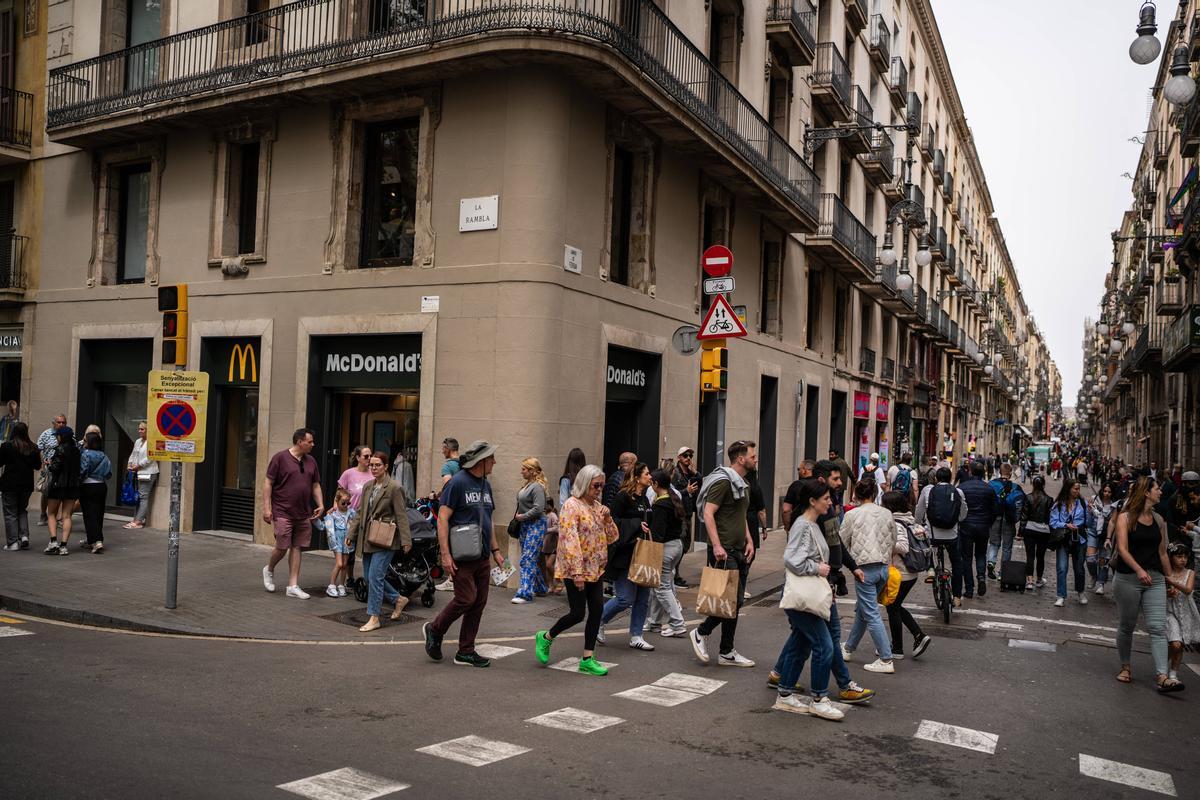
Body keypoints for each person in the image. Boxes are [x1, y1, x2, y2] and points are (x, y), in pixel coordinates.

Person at [770, 478, 874, 717]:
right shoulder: (803, 526)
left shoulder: (811, 524)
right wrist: (817, 569)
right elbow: (792, 559)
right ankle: (818, 698)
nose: (830, 502)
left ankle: (785, 693)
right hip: (803, 598)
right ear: (812, 501)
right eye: (826, 499)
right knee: (824, 646)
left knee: (800, 645)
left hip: (810, 596)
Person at [424, 440, 506, 668]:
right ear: (480, 461)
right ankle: (435, 628)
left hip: (481, 556)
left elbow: (488, 520)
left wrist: (496, 551)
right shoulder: (458, 483)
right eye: (491, 459)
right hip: (461, 555)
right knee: (466, 598)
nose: (494, 462)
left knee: (479, 602)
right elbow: (443, 519)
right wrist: (445, 555)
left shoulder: (485, 485)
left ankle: (465, 651)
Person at [534, 465, 618, 675]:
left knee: (597, 610)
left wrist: (608, 518)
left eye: (602, 485)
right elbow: (569, 541)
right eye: (596, 485)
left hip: (596, 569)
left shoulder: (599, 507)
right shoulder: (571, 506)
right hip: (575, 570)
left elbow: (613, 537)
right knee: (577, 613)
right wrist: (577, 572)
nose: (599, 489)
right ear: (584, 482)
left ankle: (587, 658)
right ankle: (546, 637)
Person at [689, 440, 757, 668]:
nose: (755, 459)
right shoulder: (724, 482)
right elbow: (708, 514)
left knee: (735, 602)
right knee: (729, 601)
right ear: (741, 458)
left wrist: (749, 539)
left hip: (738, 548)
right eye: (752, 456)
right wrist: (716, 546)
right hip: (724, 550)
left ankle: (727, 651)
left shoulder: (741, 483)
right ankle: (701, 632)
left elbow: (741, 514)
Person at [1112, 477, 1181, 692]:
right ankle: (1125, 667)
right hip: (1128, 578)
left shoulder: (1158, 520)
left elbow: (1162, 553)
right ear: (1146, 492)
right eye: (1157, 489)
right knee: (1127, 625)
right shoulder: (1125, 518)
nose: (1161, 492)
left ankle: (1162, 675)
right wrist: (1139, 570)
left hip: (1155, 579)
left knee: (1157, 628)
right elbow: (1123, 549)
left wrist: (1171, 581)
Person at [838, 478, 900, 673]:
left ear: (857, 494)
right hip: (883, 567)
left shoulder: (851, 515)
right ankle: (848, 648)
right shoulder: (887, 513)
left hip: (864, 567)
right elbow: (893, 539)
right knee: (864, 610)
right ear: (875, 493)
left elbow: (841, 542)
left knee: (870, 612)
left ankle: (885, 658)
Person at [350, 452, 411, 632]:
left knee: (376, 577)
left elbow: (401, 515)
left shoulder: (394, 488)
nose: (374, 468)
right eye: (372, 465)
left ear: (385, 466)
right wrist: (350, 534)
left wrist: (406, 540)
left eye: (378, 465)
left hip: (385, 539)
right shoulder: (368, 486)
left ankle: (374, 617)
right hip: (368, 538)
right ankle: (398, 599)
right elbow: (361, 512)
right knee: (370, 578)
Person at [597, 461, 655, 649]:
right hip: (624, 556)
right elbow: (612, 523)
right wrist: (636, 524)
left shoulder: (645, 499)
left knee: (642, 598)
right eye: (647, 474)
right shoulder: (623, 497)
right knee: (625, 598)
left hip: (642, 555)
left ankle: (636, 635)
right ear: (637, 477)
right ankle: (598, 619)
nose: (650, 477)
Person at [261, 428, 324, 599]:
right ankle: (269, 569)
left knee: (297, 547)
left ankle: (293, 586)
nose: (313, 445)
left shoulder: (311, 461)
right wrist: (267, 508)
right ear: (299, 442)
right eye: (310, 442)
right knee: (282, 547)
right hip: (282, 511)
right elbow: (268, 483)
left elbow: (315, 485)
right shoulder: (280, 458)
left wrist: (320, 504)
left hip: (304, 513)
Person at [882, 490, 931, 660]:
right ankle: (917, 636)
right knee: (895, 606)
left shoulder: (896, 523)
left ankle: (898, 648)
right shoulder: (910, 519)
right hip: (910, 573)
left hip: (901, 573)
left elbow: (902, 547)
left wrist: (886, 543)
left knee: (892, 607)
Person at [914, 467, 968, 606]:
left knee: (927, 546)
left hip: (933, 534)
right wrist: (957, 520)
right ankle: (956, 596)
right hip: (952, 535)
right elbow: (963, 513)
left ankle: (931, 568)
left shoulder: (928, 490)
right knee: (957, 562)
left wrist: (918, 524)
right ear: (951, 479)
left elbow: (919, 511)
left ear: (936, 479)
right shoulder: (958, 491)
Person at [643, 469, 687, 638]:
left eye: (651, 481)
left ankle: (677, 623)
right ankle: (654, 622)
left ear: (655, 484)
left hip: (666, 548)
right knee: (659, 585)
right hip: (676, 547)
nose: (650, 483)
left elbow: (658, 533)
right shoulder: (673, 499)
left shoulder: (660, 504)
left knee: (661, 588)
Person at [955, 462, 996, 598]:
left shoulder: (962, 487)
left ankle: (969, 588)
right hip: (983, 525)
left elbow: (957, 507)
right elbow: (994, 509)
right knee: (980, 554)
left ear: (971, 472)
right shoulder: (988, 489)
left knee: (966, 557)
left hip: (966, 525)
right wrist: (988, 522)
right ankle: (981, 578)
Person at [512, 457, 549, 604]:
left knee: (527, 557)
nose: (521, 472)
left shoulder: (537, 487)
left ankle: (525, 593)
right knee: (530, 557)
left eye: (524, 469)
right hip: (526, 525)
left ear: (532, 471)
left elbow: (539, 508)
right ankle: (540, 587)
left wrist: (522, 516)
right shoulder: (528, 485)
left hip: (536, 524)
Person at [0, 422, 41, 550]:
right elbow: (37, 466)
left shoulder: (7, 446)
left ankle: (13, 543)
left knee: (10, 512)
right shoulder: (33, 447)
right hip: (26, 485)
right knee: (22, 510)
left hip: (10, 484)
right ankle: (24, 536)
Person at [1049, 478, 1089, 608]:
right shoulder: (1059, 505)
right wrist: (1066, 525)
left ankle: (1080, 592)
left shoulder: (1083, 503)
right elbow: (1053, 522)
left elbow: (1089, 522)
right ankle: (1061, 596)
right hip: (1063, 539)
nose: (1078, 491)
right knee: (1062, 568)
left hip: (1080, 539)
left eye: (1079, 489)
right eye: (1075, 489)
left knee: (1079, 568)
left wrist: (1092, 512)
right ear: (1068, 489)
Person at [1164, 542, 1200, 683]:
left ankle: (1173, 673)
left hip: (1185, 613)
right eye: (1179, 556)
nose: (1183, 560)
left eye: (1185, 557)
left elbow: (1188, 589)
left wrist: (1172, 583)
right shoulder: (1167, 573)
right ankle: (1164, 668)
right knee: (1175, 643)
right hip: (1170, 611)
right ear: (1171, 557)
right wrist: (1168, 592)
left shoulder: (1190, 573)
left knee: (1180, 645)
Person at [42, 427, 80, 556]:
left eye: (58, 435)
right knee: (67, 516)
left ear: (61, 437)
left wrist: (49, 463)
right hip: (72, 487)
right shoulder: (76, 451)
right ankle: (63, 546)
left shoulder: (60, 450)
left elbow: (55, 468)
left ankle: (53, 542)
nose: (57, 437)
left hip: (58, 486)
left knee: (51, 513)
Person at [986, 463, 1025, 579]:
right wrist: (1017, 519)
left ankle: (991, 562)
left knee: (993, 543)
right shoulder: (1016, 487)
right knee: (1007, 547)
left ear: (999, 472)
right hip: (1009, 519)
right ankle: (1003, 571)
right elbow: (1021, 504)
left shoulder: (991, 485)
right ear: (1011, 473)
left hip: (994, 518)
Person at [78, 431, 112, 554]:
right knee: (98, 513)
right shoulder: (104, 455)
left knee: (89, 514)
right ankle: (94, 539)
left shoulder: (85, 454)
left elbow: (82, 470)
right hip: (101, 486)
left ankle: (95, 540)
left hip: (88, 486)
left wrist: (79, 481)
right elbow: (109, 473)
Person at [1020, 475, 1053, 591]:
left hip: (1029, 529)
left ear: (1033, 485)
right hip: (1043, 531)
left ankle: (1029, 581)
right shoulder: (1049, 499)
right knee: (1040, 556)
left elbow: (1023, 516)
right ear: (1043, 485)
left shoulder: (1028, 498)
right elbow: (1050, 518)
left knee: (1030, 556)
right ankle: (1039, 579)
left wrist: (1021, 531)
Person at [323, 488, 356, 598]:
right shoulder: (333, 514)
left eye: (348, 503)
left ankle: (341, 585)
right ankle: (331, 586)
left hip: (347, 540)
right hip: (337, 540)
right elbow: (325, 525)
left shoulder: (351, 512)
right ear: (336, 501)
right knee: (339, 563)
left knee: (345, 565)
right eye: (343, 503)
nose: (346, 505)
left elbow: (357, 521)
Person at [124, 422, 158, 529]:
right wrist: (129, 464)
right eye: (139, 429)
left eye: (142, 429)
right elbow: (134, 454)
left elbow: (150, 458)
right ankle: (136, 519)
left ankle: (138, 521)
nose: (139, 431)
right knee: (138, 497)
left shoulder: (152, 442)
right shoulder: (138, 441)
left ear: (148, 430)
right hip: (138, 472)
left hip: (149, 472)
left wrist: (138, 466)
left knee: (143, 497)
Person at [1088, 481, 1119, 595]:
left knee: (1103, 560)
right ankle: (1094, 576)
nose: (1106, 493)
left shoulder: (1114, 505)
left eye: (1109, 492)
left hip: (1106, 534)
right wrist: (1089, 508)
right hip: (1092, 531)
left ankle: (1101, 583)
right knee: (1090, 559)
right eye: (1105, 491)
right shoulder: (1094, 499)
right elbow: (1089, 516)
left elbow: (1114, 521)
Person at [35, 413, 66, 526]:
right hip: (48, 469)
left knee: (61, 493)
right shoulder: (46, 434)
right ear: (54, 423)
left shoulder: (68, 434)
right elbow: (38, 449)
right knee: (45, 492)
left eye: (63, 422)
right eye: (59, 422)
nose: (61, 424)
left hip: (63, 470)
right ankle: (44, 515)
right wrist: (42, 464)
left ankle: (59, 518)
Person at [541, 497, 561, 594]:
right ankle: (550, 586)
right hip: (546, 545)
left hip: (554, 545)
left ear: (550, 505)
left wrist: (547, 530)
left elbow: (557, 528)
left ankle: (559, 581)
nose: (545, 507)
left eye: (546, 505)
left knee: (549, 565)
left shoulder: (553, 515)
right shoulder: (545, 515)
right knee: (547, 567)